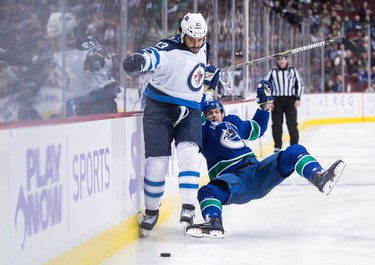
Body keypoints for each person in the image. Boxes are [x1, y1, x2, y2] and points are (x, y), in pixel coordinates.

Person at [185, 80, 345, 238]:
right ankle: (214, 223)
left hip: (257, 171)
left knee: (294, 151)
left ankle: (318, 178)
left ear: (222, 113)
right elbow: (195, 109)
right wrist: (204, 84)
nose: (214, 115)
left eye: (217, 112)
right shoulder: (203, 129)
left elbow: (257, 129)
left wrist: (263, 107)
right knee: (207, 191)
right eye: (210, 113)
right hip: (233, 180)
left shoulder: (233, 123)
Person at [122, 12, 220, 235]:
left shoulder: (205, 46)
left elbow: (198, 79)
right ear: (182, 34)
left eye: (200, 39)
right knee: (157, 163)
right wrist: (138, 59)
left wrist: (209, 82)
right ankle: (151, 211)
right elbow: (152, 55)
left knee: (189, 154)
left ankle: (187, 207)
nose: (196, 44)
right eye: (191, 39)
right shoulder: (169, 49)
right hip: (160, 108)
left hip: (191, 110)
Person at [46, 12, 120, 117]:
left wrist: (97, 60)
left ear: (69, 35)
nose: (53, 43)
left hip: (98, 103)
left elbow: (104, 58)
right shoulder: (54, 54)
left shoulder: (85, 46)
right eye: (52, 39)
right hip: (75, 105)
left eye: (56, 38)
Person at [265, 55, 304, 153]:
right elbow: (266, 86)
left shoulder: (293, 71)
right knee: (277, 124)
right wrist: (269, 100)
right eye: (279, 59)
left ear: (286, 59)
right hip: (276, 100)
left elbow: (299, 84)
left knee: (292, 124)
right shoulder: (272, 72)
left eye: (283, 58)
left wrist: (298, 98)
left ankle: (294, 146)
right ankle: (277, 146)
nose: (281, 61)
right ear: (277, 61)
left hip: (290, 100)